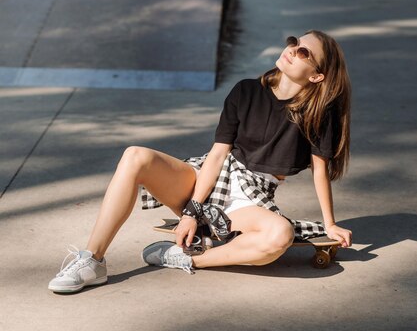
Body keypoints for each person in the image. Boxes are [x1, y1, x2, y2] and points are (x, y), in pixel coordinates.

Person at [48, 30, 352, 293]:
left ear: (316, 75)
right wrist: (192, 212)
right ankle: (92, 260)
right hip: (208, 177)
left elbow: (320, 172)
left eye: (302, 52)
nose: (290, 50)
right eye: (293, 42)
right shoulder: (245, 91)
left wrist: (330, 224)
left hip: (248, 199)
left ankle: (186, 258)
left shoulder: (317, 116)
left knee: (280, 235)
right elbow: (218, 154)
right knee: (135, 156)